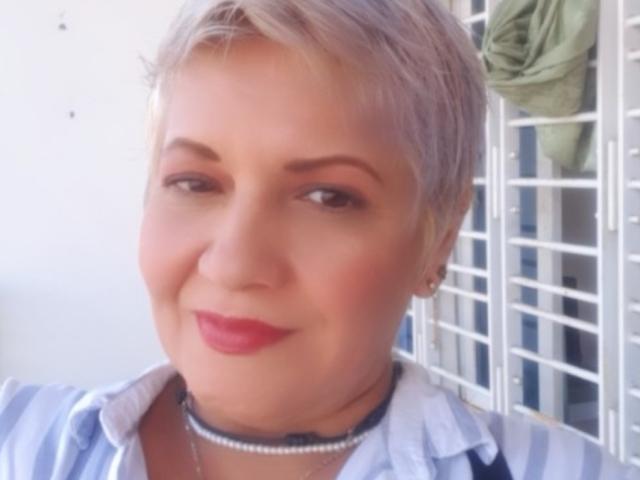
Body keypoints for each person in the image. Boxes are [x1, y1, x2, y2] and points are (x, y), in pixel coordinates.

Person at [0, 0, 637, 479]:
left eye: (329, 197)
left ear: (438, 240)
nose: (233, 263)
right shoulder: (21, 443)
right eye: (194, 182)